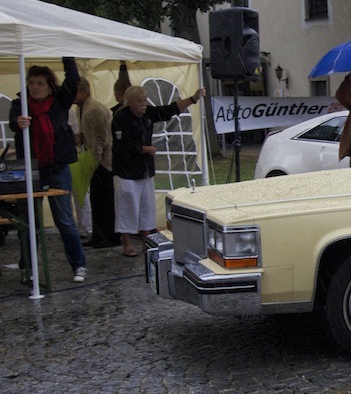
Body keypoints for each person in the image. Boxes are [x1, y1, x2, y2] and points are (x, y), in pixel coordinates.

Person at [7, 57, 88, 282]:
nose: (35, 87)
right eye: (32, 82)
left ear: (49, 85)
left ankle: (79, 266)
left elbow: (73, 80)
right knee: (29, 221)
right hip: (30, 168)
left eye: (40, 83)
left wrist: (66, 55)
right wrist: (18, 123)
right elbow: (13, 121)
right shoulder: (20, 103)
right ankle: (28, 268)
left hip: (57, 166)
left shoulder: (59, 101)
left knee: (64, 219)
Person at [112, 84, 205, 257]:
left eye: (145, 100)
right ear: (130, 102)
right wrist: (145, 149)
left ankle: (146, 240)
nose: (143, 104)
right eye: (139, 101)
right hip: (126, 170)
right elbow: (122, 145)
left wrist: (192, 99)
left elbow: (167, 110)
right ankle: (126, 243)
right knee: (127, 207)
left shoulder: (147, 113)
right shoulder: (120, 117)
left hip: (145, 170)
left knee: (147, 206)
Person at [75, 80, 118, 248]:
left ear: (85, 92)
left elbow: (101, 139)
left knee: (105, 201)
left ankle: (110, 236)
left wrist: (94, 161)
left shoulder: (94, 110)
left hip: (103, 162)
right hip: (94, 159)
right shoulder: (82, 109)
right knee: (96, 199)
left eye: (75, 91)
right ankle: (98, 235)